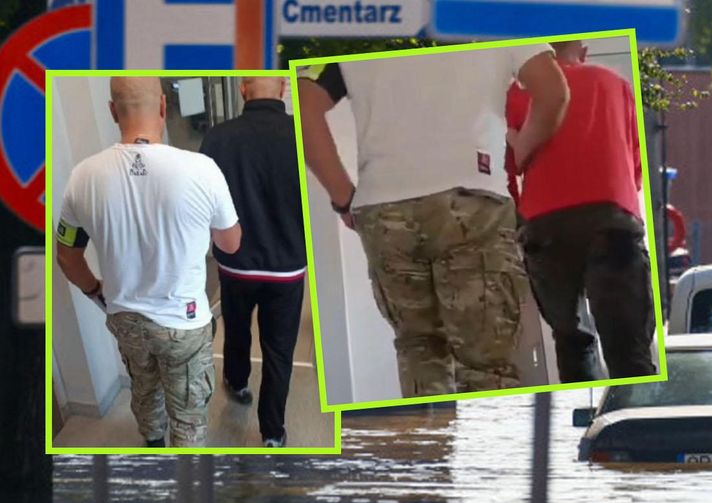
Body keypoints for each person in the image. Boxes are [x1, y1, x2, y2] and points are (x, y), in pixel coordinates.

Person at [297, 44, 570, 397]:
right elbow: (553, 91)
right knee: (486, 363)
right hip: (474, 203)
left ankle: (430, 448)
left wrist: (343, 197)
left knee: (418, 349)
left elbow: (305, 104)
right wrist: (521, 148)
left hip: (384, 209)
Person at [56, 77, 241, 448]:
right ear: (162, 106)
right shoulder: (202, 169)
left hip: (125, 317)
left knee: (143, 389)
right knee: (188, 411)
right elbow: (231, 244)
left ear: (113, 110)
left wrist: (95, 291)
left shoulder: (82, 177)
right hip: (184, 321)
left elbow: (67, 255)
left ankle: (152, 444)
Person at [506, 40, 656, 382]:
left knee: (572, 339)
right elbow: (636, 167)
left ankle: (579, 421)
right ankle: (635, 422)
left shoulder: (518, 95)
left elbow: (510, 166)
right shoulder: (617, 85)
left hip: (546, 224)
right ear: (583, 52)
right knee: (628, 349)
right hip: (613, 217)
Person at [200, 76, 307, 448]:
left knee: (238, 327)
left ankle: (237, 380)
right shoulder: (304, 135)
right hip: (288, 266)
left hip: (235, 263)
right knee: (279, 350)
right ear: (282, 88)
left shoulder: (218, 136)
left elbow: (202, 201)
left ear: (243, 89)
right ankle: (273, 433)